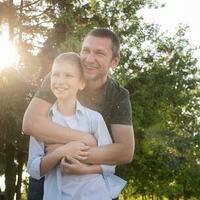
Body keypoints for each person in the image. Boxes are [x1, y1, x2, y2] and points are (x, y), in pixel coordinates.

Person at [23, 28, 134, 200]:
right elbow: (31, 123)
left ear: (114, 61)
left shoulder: (118, 95)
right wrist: (86, 139)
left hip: (91, 180)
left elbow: (124, 151)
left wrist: (69, 152)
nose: (89, 59)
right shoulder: (59, 79)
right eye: (86, 50)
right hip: (50, 175)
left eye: (99, 53)